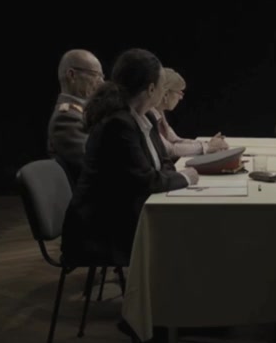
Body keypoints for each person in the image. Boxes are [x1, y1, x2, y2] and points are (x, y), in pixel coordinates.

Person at [61, 48, 197, 266]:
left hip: (126, 214)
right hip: (103, 229)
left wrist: (169, 175)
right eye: (162, 85)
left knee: (185, 230)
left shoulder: (145, 119)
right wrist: (187, 177)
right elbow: (147, 180)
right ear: (151, 89)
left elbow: (164, 163)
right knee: (187, 233)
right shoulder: (118, 124)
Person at [47, 49, 104, 186]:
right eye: (95, 75)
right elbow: (98, 164)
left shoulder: (85, 112)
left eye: (102, 76)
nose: (102, 83)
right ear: (72, 75)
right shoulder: (66, 118)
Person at [151, 68, 228, 157]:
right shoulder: (149, 115)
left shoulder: (159, 112)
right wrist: (207, 147)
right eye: (179, 92)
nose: (181, 97)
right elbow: (170, 150)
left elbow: (176, 141)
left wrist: (208, 144)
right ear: (166, 94)